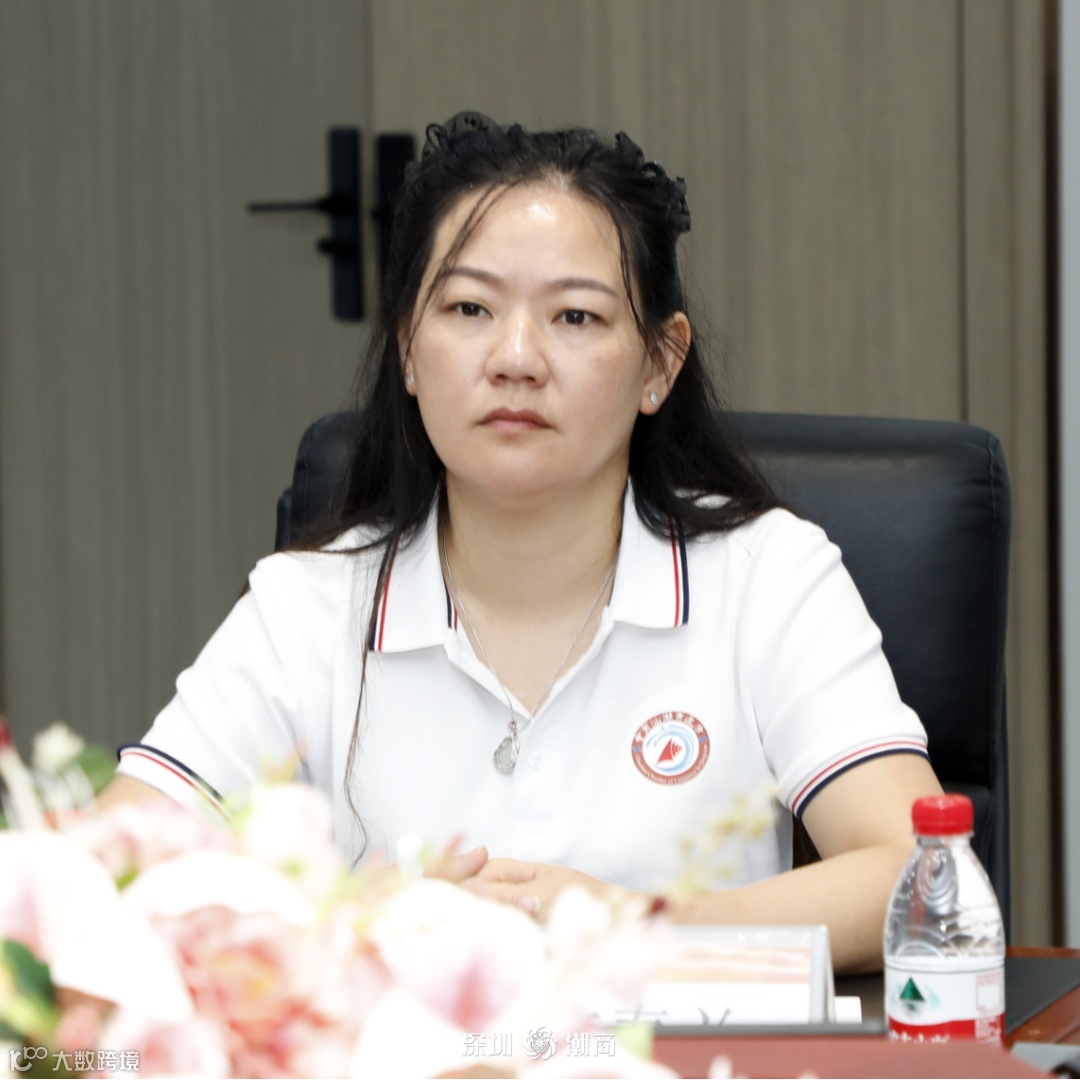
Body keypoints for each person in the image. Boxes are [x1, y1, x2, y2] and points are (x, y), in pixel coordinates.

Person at [100, 113, 942, 974]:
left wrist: (639, 923)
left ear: (659, 364)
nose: (515, 358)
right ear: (408, 350)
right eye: (470, 308)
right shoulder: (307, 606)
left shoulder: (767, 577)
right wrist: (361, 925)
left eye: (575, 316)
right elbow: (107, 883)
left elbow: (921, 880)